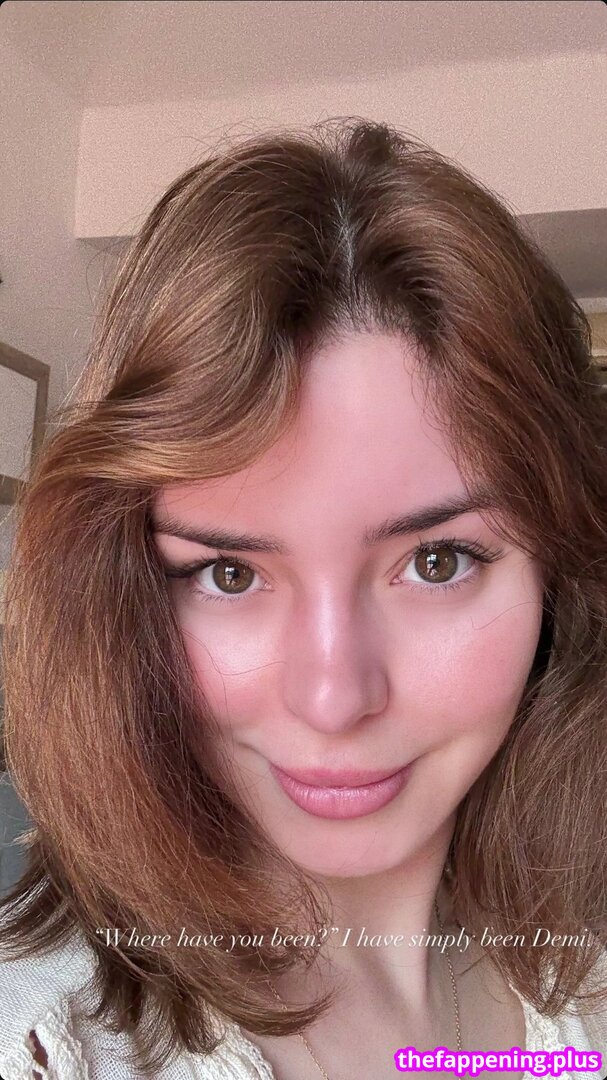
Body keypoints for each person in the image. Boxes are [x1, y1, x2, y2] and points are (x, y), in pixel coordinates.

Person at [0, 117, 605, 1080]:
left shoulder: (581, 977)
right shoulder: (42, 1042)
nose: (332, 698)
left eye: (438, 560)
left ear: (558, 578)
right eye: (228, 574)